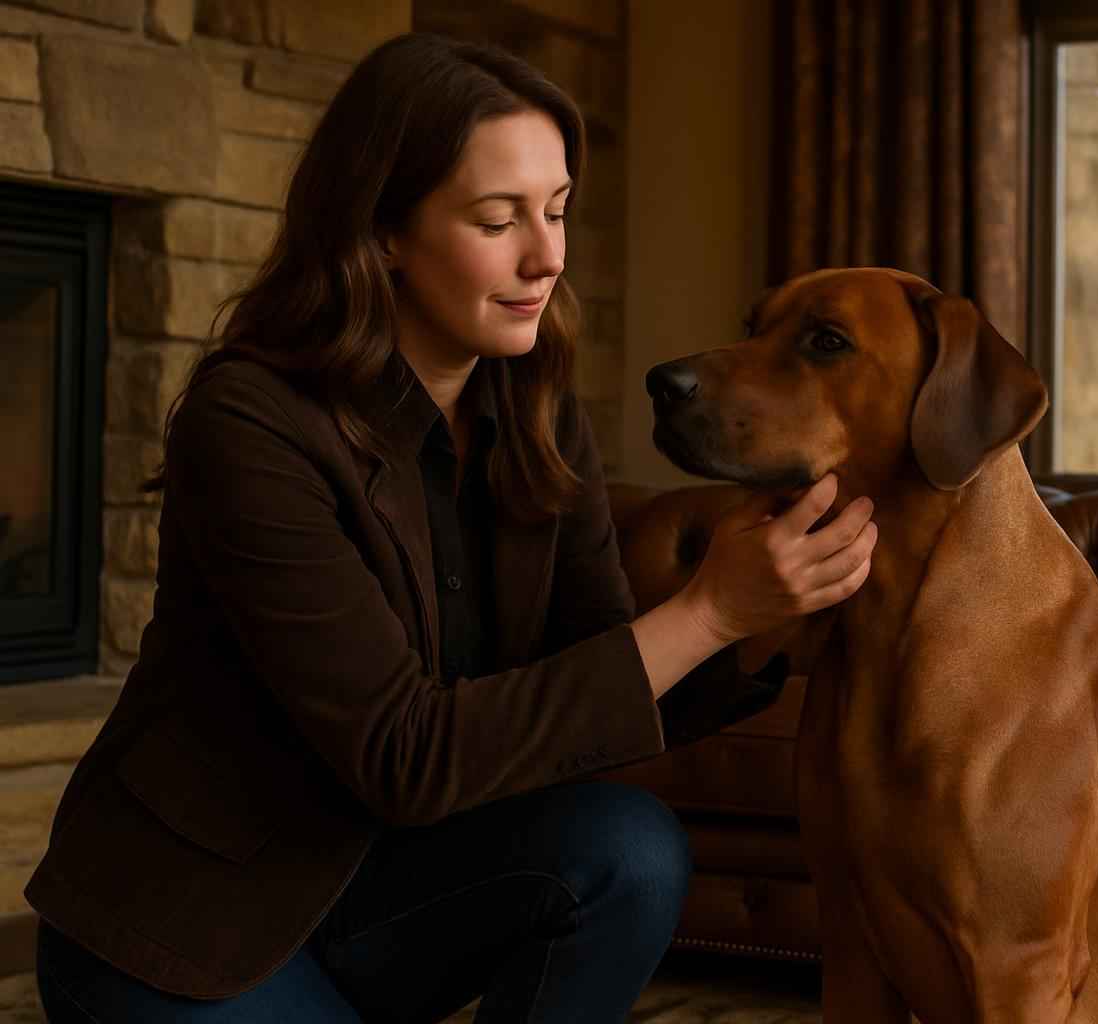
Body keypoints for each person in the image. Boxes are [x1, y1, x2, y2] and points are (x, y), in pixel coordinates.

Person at [27, 32, 877, 1023]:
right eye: (496, 218)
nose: (547, 255)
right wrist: (711, 610)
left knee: (626, 849)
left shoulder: (533, 404)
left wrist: (773, 612)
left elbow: (595, 666)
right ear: (381, 227)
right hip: (186, 926)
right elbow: (406, 750)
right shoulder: (250, 423)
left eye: (557, 211)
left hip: (380, 894)